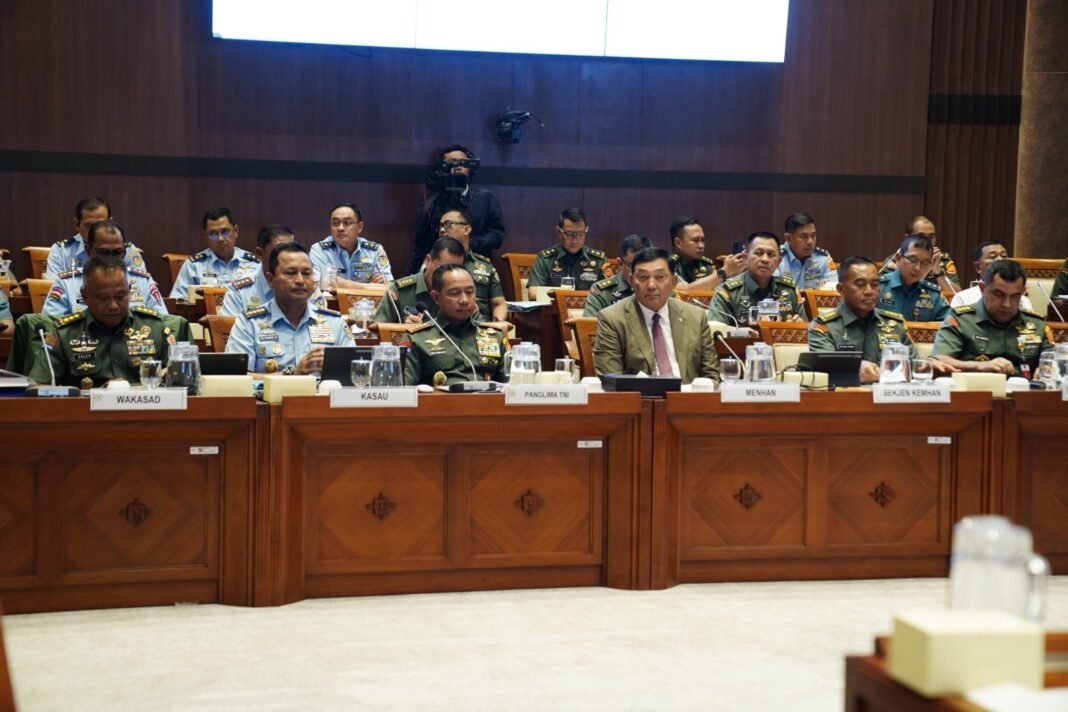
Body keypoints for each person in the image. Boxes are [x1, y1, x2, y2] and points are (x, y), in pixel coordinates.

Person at [29, 257, 189, 388]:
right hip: (86, 414)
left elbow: (184, 379)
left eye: (120, 296)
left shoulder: (156, 327)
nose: (113, 305)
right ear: (85, 296)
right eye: (103, 298)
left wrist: (170, 375)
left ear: (129, 291)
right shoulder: (64, 334)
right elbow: (39, 386)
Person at [593, 247, 719, 384]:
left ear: (673, 282)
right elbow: (611, 381)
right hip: (640, 396)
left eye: (660, 277)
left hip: (690, 395)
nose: (651, 285)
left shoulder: (695, 316)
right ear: (631, 280)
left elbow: (711, 376)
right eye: (643, 277)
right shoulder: (612, 319)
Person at [226, 242, 353, 374]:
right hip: (270, 389)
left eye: (306, 273)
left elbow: (352, 373)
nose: (300, 280)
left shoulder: (334, 322)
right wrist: (293, 375)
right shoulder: (249, 323)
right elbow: (237, 377)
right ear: (270, 279)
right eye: (291, 273)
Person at [931, 260, 1054, 376]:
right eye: (999, 294)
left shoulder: (1036, 324)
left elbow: (1055, 360)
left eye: (1015, 296)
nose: (1007, 304)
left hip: (1026, 390)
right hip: (977, 389)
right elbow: (938, 359)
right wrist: (980, 366)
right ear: (982, 288)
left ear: (1023, 292)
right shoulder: (961, 320)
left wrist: (1048, 368)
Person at [808, 257, 916, 384]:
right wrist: (855, 369)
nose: (869, 291)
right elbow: (824, 371)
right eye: (860, 284)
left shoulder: (894, 325)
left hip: (889, 394)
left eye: (875, 284)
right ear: (841, 289)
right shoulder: (824, 327)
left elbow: (914, 368)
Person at [404, 264, 507, 386]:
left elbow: (513, 386)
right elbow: (405, 390)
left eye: (470, 292)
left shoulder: (495, 336)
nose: (464, 300)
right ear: (436, 298)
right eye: (454, 293)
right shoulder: (416, 338)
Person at [408, 144, 505, 274]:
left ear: (471, 168)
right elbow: (420, 248)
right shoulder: (431, 204)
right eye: (451, 163)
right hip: (439, 270)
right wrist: (409, 279)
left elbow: (496, 235)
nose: (458, 166)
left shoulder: (486, 199)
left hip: (476, 267)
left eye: (463, 163)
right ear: (442, 168)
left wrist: (466, 243)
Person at [45, 220, 167, 317]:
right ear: (89, 251)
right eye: (104, 252)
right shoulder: (67, 283)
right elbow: (49, 328)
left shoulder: (143, 281)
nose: (111, 259)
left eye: (117, 252)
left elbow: (163, 323)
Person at [221, 225, 327, 315]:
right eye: (278, 251)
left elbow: (323, 326)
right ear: (260, 254)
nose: (287, 257)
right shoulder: (240, 291)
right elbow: (229, 329)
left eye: (291, 250)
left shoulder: (306, 287)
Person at [708, 231, 802, 328]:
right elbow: (716, 331)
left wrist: (798, 326)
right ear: (745, 258)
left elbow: (806, 329)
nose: (765, 259)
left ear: (779, 261)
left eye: (771, 254)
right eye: (758, 253)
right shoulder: (726, 292)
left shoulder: (790, 290)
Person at [436, 209, 509, 327]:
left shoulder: (485, 266)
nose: (442, 230)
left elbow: (499, 303)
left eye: (447, 224)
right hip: (443, 327)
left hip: (480, 328)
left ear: (466, 229)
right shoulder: (434, 262)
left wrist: (497, 323)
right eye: (440, 226)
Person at [45, 198, 147, 279]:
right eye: (89, 225)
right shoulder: (61, 251)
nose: (95, 230)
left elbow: (141, 286)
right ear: (77, 224)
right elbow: (52, 289)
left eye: (101, 224)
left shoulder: (126, 250)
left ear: (110, 222)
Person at [169, 208, 261, 297]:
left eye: (225, 232)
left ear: (236, 231)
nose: (220, 239)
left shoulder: (254, 263)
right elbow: (177, 301)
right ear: (205, 236)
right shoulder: (193, 266)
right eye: (213, 234)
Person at [373, 237, 466, 324]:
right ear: (428, 261)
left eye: (454, 271)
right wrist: (403, 329)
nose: (447, 276)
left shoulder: (463, 296)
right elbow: (379, 328)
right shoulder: (400, 291)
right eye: (441, 268)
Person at [309, 203, 394, 288]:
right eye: (335, 223)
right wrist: (369, 286)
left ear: (360, 227)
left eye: (347, 223)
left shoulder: (374, 251)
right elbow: (319, 285)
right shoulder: (320, 250)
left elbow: (388, 287)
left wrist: (340, 283)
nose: (340, 228)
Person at [526, 208, 607, 297]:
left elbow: (609, 293)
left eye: (580, 234)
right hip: (554, 306)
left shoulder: (598, 260)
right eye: (569, 234)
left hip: (589, 306)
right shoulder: (545, 259)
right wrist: (562, 296)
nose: (575, 240)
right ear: (559, 232)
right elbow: (533, 293)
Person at [877, 234, 950, 321]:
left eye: (925, 262)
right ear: (898, 259)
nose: (917, 268)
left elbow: (949, 322)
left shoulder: (932, 294)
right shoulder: (879, 287)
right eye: (913, 260)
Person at [880, 216, 961, 292]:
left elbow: (957, 296)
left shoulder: (942, 261)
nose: (927, 242)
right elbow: (890, 293)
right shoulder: (896, 260)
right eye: (921, 237)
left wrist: (938, 273)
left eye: (931, 237)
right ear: (907, 238)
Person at [950, 241, 1034, 311]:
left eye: (1004, 256)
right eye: (993, 257)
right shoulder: (963, 298)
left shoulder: (1022, 301)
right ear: (977, 267)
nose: (1000, 260)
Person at [584, 234, 652, 316]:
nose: (639, 273)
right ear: (620, 263)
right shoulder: (602, 292)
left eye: (645, 266)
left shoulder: (658, 288)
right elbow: (590, 323)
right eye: (632, 266)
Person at [774, 212, 837, 290]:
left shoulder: (823, 258)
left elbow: (833, 290)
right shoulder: (775, 256)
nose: (810, 242)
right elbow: (774, 291)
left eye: (813, 235)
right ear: (788, 238)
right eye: (804, 236)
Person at [668, 217, 718, 285]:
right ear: (678, 243)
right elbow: (685, 289)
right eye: (695, 240)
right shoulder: (666, 265)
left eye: (702, 240)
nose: (701, 246)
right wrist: (724, 272)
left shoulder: (705, 265)